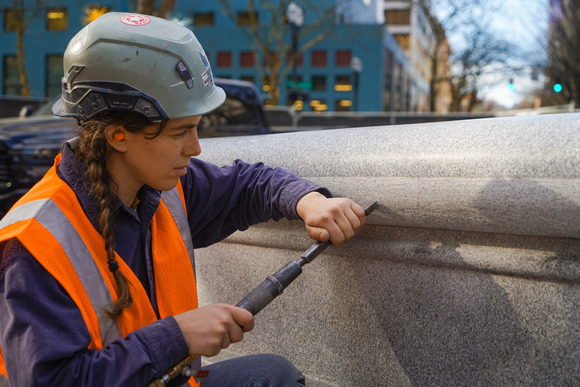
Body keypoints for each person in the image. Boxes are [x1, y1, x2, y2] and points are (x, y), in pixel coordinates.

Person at [0, 12, 365, 387]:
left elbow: (246, 183)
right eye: (180, 133)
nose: (195, 148)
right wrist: (176, 337)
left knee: (273, 376)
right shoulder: (32, 245)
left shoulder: (162, 189)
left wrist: (308, 201)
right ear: (118, 135)